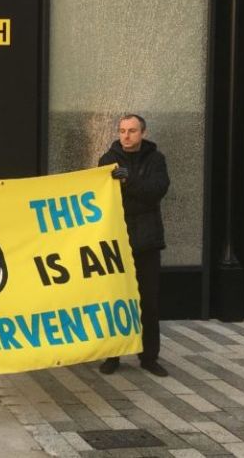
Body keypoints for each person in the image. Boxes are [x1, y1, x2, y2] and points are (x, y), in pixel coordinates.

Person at [98, 114, 170, 377]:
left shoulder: (156, 159)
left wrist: (129, 182)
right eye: (122, 130)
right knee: (115, 299)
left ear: (143, 132)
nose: (126, 136)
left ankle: (149, 357)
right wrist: (138, 194)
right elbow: (107, 198)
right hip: (117, 240)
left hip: (147, 242)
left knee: (148, 302)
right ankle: (112, 355)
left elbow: (157, 190)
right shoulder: (107, 160)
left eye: (131, 131)